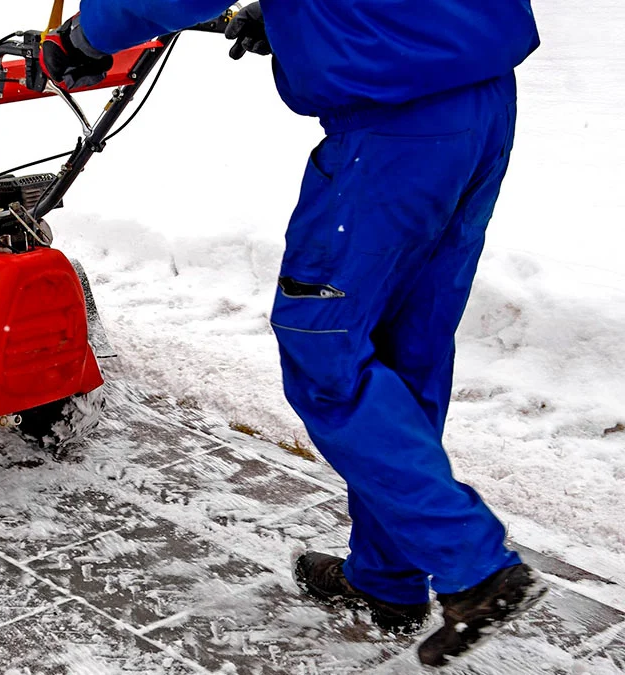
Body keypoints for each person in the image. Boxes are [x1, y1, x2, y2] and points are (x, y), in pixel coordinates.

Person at [40, 0, 548, 667]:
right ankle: (387, 576)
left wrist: (87, 35)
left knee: (325, 348)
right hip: (479, 94)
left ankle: (473, 562)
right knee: (405, 346)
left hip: (397, 127)